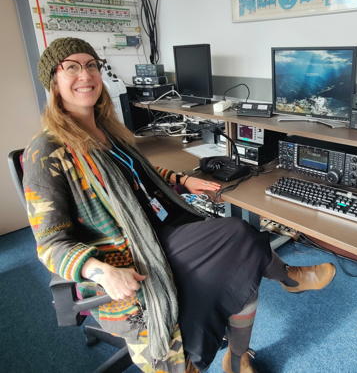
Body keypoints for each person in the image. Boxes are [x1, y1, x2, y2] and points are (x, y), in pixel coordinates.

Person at [23, 37, 336, 373]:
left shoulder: (107, 132)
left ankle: (237, 355)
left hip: (159, 228)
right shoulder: (46, 152)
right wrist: (100, 271)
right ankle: (284, 278)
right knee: (239, 234)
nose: (85, 75)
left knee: (242, 261)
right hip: (134, 253)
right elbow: (50, 243)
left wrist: (182, 180)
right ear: (53, 81)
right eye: (71, 67)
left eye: (91, 65)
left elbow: (139, 174)